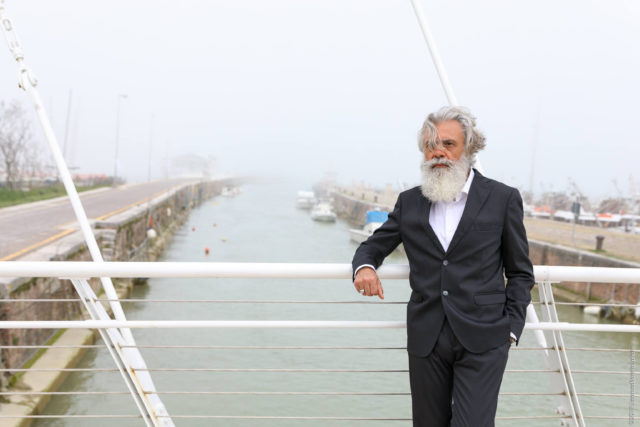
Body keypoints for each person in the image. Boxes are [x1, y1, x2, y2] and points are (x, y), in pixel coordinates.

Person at [351, 106, 534, 427]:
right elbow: (373, 246)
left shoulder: (502, 198)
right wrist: (365, 267)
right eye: (430, 145)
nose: (438, 152)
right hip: (427, 338)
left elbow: (520, 272)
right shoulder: (410, 202)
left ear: (469, 147)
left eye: (448, 144)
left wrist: (511, 330)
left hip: (485, 338)